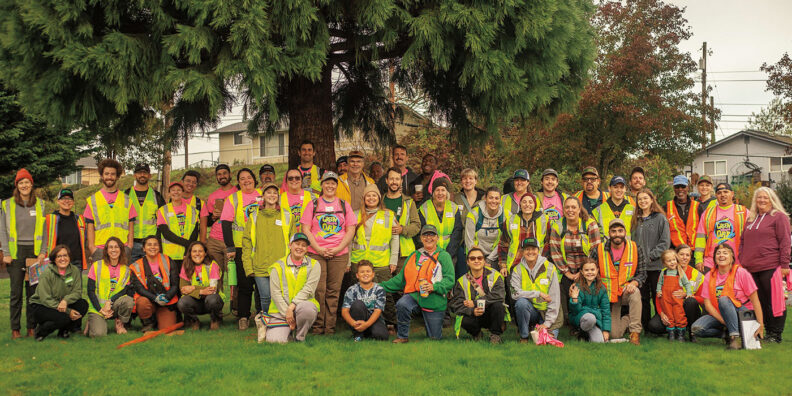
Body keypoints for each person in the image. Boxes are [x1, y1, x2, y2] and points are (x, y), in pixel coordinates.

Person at [300, 171, 357, 335]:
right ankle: (318, 327)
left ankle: (330, 327)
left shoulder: (344, 205)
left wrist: (338, 248)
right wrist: (318, 248)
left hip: (339, 254)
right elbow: (305, 228)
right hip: (316, 252)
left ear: (336, 186)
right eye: (327, 183)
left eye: (333, 183)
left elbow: (350, 230)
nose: (330, 186)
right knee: (319, 290)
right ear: (322, 185)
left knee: (333, 291)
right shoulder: (314, 204)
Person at [381, 225, 455, 343]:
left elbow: (450, 280)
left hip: (434, 298)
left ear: (437, 238)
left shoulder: (444, 256)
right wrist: (380, 286)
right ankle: (403, 336)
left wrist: (433, 287)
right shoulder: (414, 255)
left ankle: (431, 326)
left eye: (432, 235)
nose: (428, 238)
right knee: (402, 304)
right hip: (415, 295)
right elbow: (400, 279)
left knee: (434, 339)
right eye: (425, 235)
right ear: (421, 238)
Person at [739, 187, 790, 343]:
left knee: (774, 301)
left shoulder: (779, 217)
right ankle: (765, 331)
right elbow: (742, 242)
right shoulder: (750, 219)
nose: (761, 200)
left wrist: (784, 265)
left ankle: (776, 334)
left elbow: (785, 242)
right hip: (750, 268)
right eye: (759, 197)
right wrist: (741, 260)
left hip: (771, 265)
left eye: (765, 198)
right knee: (759, 302)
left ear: (771, 199)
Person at [1, 168, 47, 338]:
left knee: (33, 293)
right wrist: (5, 252)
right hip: (15, 253)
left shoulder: (40, 204)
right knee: (16, 293)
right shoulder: (7, 205)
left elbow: (44, 231)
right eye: (21, 182)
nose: (24, 185)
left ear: (31, 184)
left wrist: (42, 252)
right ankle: (15, 329)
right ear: (17, 185)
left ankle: (31, 327)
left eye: (27, 182)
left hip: (34, 253)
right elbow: (3, 231)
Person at [691, 243, 764, 350]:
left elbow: (755, 301)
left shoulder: (742, 273)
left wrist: (760, 325)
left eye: (725, 253)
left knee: (724, 299)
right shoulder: (708, 276)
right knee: (696, 329)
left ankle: (735, 339)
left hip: (742, 315)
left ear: (732, 258)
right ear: (714, 258)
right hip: (720, 314)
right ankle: (727, 334)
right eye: (718, 253)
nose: (721, 255)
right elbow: (708, 305)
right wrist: (725, 322)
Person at [589, 219, 646, 345]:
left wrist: (634, 283)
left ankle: (635, 333)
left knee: (635, 293)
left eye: (620, 231)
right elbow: (590, 271)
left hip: (626, 290)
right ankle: (629, 318)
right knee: (615, 334)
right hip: (608, 294)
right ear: (609, 233)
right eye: (613, 231)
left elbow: (642, 273)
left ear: (625, 232)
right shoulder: (598, 249)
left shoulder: (636, 248)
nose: (617, 234)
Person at [350, 184, 399, 325]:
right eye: (368, 195)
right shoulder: (355, 214)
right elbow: (349, 240)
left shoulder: (388, 215)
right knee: (357, 294)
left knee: (386, 294)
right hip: (358, 261)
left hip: (381, 262)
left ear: (379, 198)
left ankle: (390, 322)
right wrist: (348, 262)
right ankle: (358, 322)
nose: (371, 198)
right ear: (364, 198)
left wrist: (393, 260)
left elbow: (394, 239)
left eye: (374, 195)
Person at [548, 196, 601, 325]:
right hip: (566, 269)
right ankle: (571, 321)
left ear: (579, 209)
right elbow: (555, 251)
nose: (570, 210)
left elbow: (596, 249)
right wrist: (568, 273)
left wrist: (582, 272)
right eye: (567, 207)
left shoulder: (590, 224)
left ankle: (589, 318)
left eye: (573, 207)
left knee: (586, 293)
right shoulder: (558, 226)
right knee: (567, 290)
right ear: (563, 210)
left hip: (587, 268)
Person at [242, 182, 291, 316]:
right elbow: (246, 242)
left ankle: (281, 324)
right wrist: (248, 267)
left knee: (281, 297)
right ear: (263, 196)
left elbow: (293, 241)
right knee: (265, 298)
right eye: (268, 192)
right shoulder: (255, 216)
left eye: (275, 192)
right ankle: (267, 324)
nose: (272, 195)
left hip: (281, 265)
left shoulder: (286, 215)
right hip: (259, 264)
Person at [381, 166, 421, 333]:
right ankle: (389, 320)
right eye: (391, 179)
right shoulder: (380, 200)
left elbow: (417, 226)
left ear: (401, 182)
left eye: (397, 179)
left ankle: (401, 321)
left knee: (402, 288)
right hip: (383, 251)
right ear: (386, 181)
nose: (394, 182)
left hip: (404, 253)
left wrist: (402, 229)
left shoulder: (408, 202)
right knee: (386, 288)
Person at [221, 168, 261, 330]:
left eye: (249, 177)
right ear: (238, 182)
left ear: (254, 179)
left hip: (261, 246)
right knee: (244, 285)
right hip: (240, 247)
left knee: (261, 283)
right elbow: (225, 223)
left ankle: (261, 315)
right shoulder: (233, 198)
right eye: (242, 178)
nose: (246, 181)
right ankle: (243, 317)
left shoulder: (262, 195)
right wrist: (230, 247)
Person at [266, 233, 321, 343]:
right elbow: (275, 294)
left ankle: (300, 337)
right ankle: (289, 329)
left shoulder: (315, 265)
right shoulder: (277, 267)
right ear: (290, 245)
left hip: (302, 307)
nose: (300, 247)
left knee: (308, 309)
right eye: (297, 244)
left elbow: (309, 289)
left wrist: (291, 307)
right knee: (275, 341)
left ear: (306, 249)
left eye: (304, 245)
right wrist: (287, 313)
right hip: (281, 311)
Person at [646, 244, 704, 341]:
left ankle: (691, 332)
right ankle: (673, 331)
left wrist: (686, 295)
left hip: (688, 310)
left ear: (690, 257)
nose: (684, 258)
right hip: (669, 306)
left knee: (691, 302)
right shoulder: (664, 272)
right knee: (654, 326)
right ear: (675, 256)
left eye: (687, 255)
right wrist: (661, 314)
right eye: (681, 254)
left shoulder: (698, 275)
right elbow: (659, 296)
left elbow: (703, 299)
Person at [29, 245, 87, 341]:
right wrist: (68, 311)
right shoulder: (47, 273)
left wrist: (65, 301)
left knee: (82, 305)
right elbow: (45, 298)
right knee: (64, 317)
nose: (62, 259)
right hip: (42, 305)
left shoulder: (74, 271)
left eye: (65, 255)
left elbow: (77, 292)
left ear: (69, 257)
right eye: (59, 256)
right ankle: (41, 332)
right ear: (54, 259)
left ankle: (63, 331)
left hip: (62, 303)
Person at [631, 188, 671, 329]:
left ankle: (662, 325)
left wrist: (651, 256)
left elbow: (665, 242)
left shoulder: (660, 218)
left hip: (656, 266)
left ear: (652, 199)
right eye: (640, 199)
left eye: (645, 198)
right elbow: (632, 241)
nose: (643, 201)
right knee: (642, 298)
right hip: (640, 267)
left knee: (657, 296)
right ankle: (645, 326)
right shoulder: (636, 220)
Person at [449, 247, 506, 343]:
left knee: (498, 305)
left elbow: (499, 296)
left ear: (484, 261)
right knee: (463, 319)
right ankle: (477, 333)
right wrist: (472, 311)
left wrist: (475, 303)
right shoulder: (461, 281)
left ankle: (495, 335)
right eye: (472, 258)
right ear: (467, 262)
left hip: (491, 313)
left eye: (479, 258)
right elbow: (456, 305)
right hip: (474, 315)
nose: (476, 261)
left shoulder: (495, 275)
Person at [84, 158, 136, 262]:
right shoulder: (93, 200)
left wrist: (129, 246)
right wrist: (92, 248)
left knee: (123, 278)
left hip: (122, 249)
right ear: (102, 175)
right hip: (100, 250)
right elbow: (90, 227)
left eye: (113, 174)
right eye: (106, 174)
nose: (109, 177)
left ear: (117, 176)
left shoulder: (126, 200)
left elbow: (131, 225)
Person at [512, 237, 562, 342]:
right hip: (531, 312)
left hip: (547, 312)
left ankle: (541, 329)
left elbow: (555, 298)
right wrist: (538, 293)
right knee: (521, 303)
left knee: (548, 341)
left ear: (538, 251)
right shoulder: (517, 269)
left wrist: (547, 323)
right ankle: (524, 336)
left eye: (533, 249)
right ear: (522, 251)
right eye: (527, 249)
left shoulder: (550, 267)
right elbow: (514, 293)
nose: (530, 252)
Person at [85, 237, 134, 337]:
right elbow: (90, 291)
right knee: (99, 334)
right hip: (97, 307)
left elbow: (124, 290)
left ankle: (120, 324)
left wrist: (109, 302)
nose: (113, 250)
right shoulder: (96, 265)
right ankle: (91, 322)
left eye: (116, 247)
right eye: (110, 247)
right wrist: (100, 309)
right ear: (106, 250)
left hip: (114, 304)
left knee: (128, 301)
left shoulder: (126, 269)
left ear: (121, 250)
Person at [129, 236, 179, 332]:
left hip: (166, 301)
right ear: (143, 248)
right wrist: (155, 298)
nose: (153, 247)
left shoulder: (168, 260)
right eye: (149, 245)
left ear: (159, 247)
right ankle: (149, 322)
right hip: (149, 299)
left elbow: (175, 284)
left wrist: (167, 297)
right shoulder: (136, 266)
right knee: (142, 303)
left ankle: (158, 319)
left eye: (155, 244)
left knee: (166, 329)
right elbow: (139, 289)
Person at [694, 182, 747, 272]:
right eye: (719, 193)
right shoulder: (708, 213)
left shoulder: (743, 212)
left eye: (726, 192)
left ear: (732, 194)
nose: (722, 195)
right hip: (711, 263)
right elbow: (700, 238)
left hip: (737, 262)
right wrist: (698, 259)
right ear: (716, 195)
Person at [200, 164, 237, 288]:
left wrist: (227, 213)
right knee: (215, 275)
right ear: (216, 177)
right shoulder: (212, 196)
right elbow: (209, 220)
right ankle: (216, 304)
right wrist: (214, 216)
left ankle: (235, 306)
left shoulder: (237, 192)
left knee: (233, 275)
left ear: (230, 174)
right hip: (214, 241)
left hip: (231, 239)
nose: (222, 176)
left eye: (224, 173)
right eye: (219, 174)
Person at [499, 193, 551, 275]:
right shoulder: (511, 220)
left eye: (530, 202)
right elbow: (503, 243)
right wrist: (503, 265)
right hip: (515, 265)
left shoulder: (544, 220)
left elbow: (548, 243)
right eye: (524, 202)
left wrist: (543, 261)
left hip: (537, 266)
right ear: (520, 205)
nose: (527, 205)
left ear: (535, 205)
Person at [417, 177, 463, 270]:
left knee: (447, 281)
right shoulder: (424, 208)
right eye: (437, 190)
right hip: (429, 254)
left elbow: (457, 232)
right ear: (433, 193)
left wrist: (448, 254)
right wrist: (431, 252)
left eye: (443, 190)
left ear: (447, 193)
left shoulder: (454, 207)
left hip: (450, 253)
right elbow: (419, 233)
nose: (440, 193)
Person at [177, 241, 224, 330]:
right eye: (194, 251)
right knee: (182, 302)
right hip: (196, 302)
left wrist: (193, 288)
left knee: (212, 299)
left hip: (210, 301)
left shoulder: (212, 265)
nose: (197, 254)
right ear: (190, 253)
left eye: (200, 251)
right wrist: (201, 291)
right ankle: (194, 321)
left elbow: (212, 290)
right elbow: (183, 289)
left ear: (205, 253)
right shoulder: (186, 265)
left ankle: (215, 320)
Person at [125, 163, 165, 262]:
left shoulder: (157, 196)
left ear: (149, 175)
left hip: (151, 244)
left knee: (151, 274)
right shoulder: (126, 194)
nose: (142, 175)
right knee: (132, 274)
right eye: (139, 172)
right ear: (134, 175)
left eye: (145, 172)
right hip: (131, 243)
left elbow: (163, 221)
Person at [157, 181, 200, 271]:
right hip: (170, 255)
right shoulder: (162, 210)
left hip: (189, 254)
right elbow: (166, 234)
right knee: (173, 283)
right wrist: (188, 244)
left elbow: (195, 233)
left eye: (179, 190)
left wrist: (187, 250)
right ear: (169, 193)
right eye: (173, 190)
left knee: (186, 282)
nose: (176, 192)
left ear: (183, 192)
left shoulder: (192, 210)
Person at [341, 260, 388, 341]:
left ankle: (366, 331)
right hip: (357, 319)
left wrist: (366, 325)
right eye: (362, 272)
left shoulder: (379, 289)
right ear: (357, 275)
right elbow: (344, 311)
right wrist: (353, 323)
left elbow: (377, 311)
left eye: (368, 271)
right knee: (357, 304)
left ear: (373, 274)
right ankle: (358, 335)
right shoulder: (351, 290)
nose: (365, 274)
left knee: (382, 337)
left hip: (374, 319)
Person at [568, 259, 611, 343]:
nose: (590, 272)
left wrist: (606, 330)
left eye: (592, 270)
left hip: (594, 320)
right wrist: (574, 299)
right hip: (581, 318)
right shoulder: (577, 287)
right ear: (582, 272)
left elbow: (606, 311)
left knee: (599, 342)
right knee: (590, 318)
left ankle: (585, 334)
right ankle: (580, 330)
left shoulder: (602, 288)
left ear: (597, 270)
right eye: (586, 270)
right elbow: (575, 311)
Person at [44, 188, 88, 269]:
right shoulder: (50, 219)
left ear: (73, 202)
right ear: (58, 201)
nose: (67, 201)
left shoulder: (80, 219)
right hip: (57, 262)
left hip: (76, 263)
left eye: (70, 198)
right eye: (63, 198)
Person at [656, 250, 693, 341]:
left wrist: (688, 293)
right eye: (669, 261)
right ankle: (671, 333)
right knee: (669, 315)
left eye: (674, 260)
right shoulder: (663, 272)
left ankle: (681, 334)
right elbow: (659, 283)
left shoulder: (679, 272)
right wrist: (658, 291)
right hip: (666, 298)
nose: (672, 262)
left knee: (679, 314)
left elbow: (687, 284)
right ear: (665, 263)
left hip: (676, 299)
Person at [464, 187, 505, 268]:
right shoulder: (473, 214)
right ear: (485, 198)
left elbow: (504, 241)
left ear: (500, 200)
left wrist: (489, 260)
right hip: (475, 255)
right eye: (491, 198)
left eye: (497, 198)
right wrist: (479, 259)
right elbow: (469, 240)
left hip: (496, 256)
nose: (494, 201)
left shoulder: (506, 215)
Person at [665, 175, 701, 248]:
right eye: (677, 187)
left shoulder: (698, 206)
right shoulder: (666, 207)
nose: (680, 189)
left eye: (683, 186)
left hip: (695, 252)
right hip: (675, 253)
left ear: (688, 187)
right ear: (674, 188)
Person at [281, 168, 315, 235]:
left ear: (302, 180)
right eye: (290, 178)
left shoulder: (313, 197)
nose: (294, 180)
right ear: (286, 181)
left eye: (297, 178)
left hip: (308, 238)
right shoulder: (279, 199)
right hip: (287, 238)